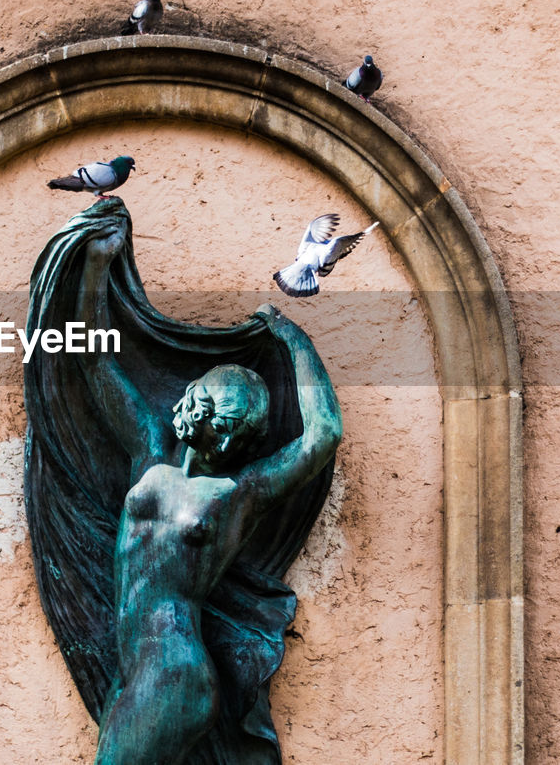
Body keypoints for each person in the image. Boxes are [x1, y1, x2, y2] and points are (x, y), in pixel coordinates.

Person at [71, 226, 342, 765]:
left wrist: (292, 339)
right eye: (222, 417)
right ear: (196, 400)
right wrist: (98, 266)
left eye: (239, 431)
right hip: (136, 669)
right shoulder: (148, 449)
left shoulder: (240, 491)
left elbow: (322, 435)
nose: (224, 436)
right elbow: (95, 360)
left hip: (174, 671)